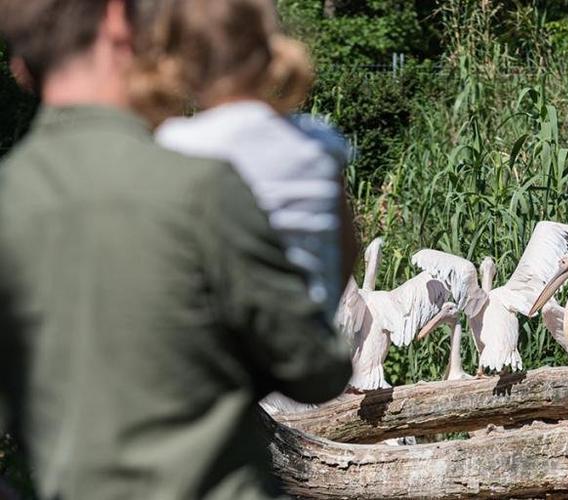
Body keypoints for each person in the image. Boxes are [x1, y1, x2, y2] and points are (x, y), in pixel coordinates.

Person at [0, 1, 353, 498]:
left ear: (20, 67)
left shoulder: (12, 198)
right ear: (117, 20)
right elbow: (317, 372)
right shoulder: (200, 190)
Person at [131, 0, 357, 329]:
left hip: (219, 362)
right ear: (269, 51)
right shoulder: (319, 143)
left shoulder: (176, 145)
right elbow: (346, 251)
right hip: (306, 351)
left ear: (181, 63)